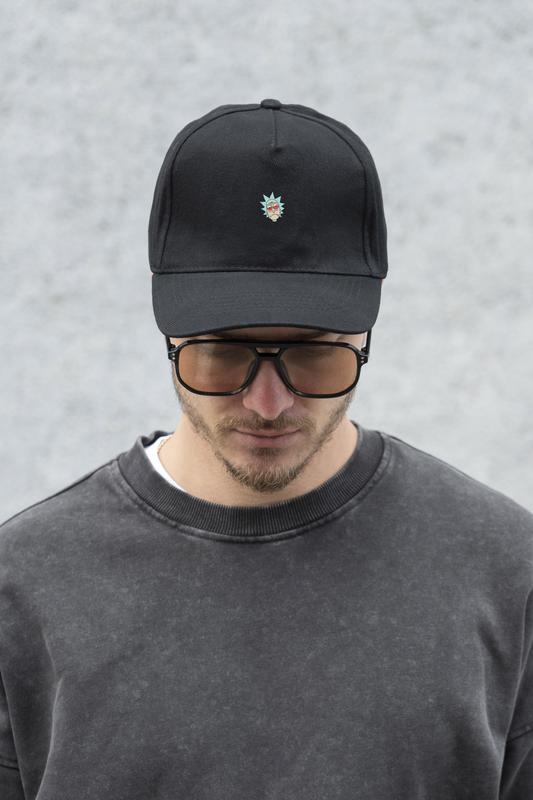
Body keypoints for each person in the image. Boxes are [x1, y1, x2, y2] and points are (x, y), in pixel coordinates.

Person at [0, 99, 531, 800]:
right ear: (169, 337)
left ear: (365, 339)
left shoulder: (505, 569)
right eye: (223, 354)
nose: (268, 402)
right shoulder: (23, 583)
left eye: (313, 355)